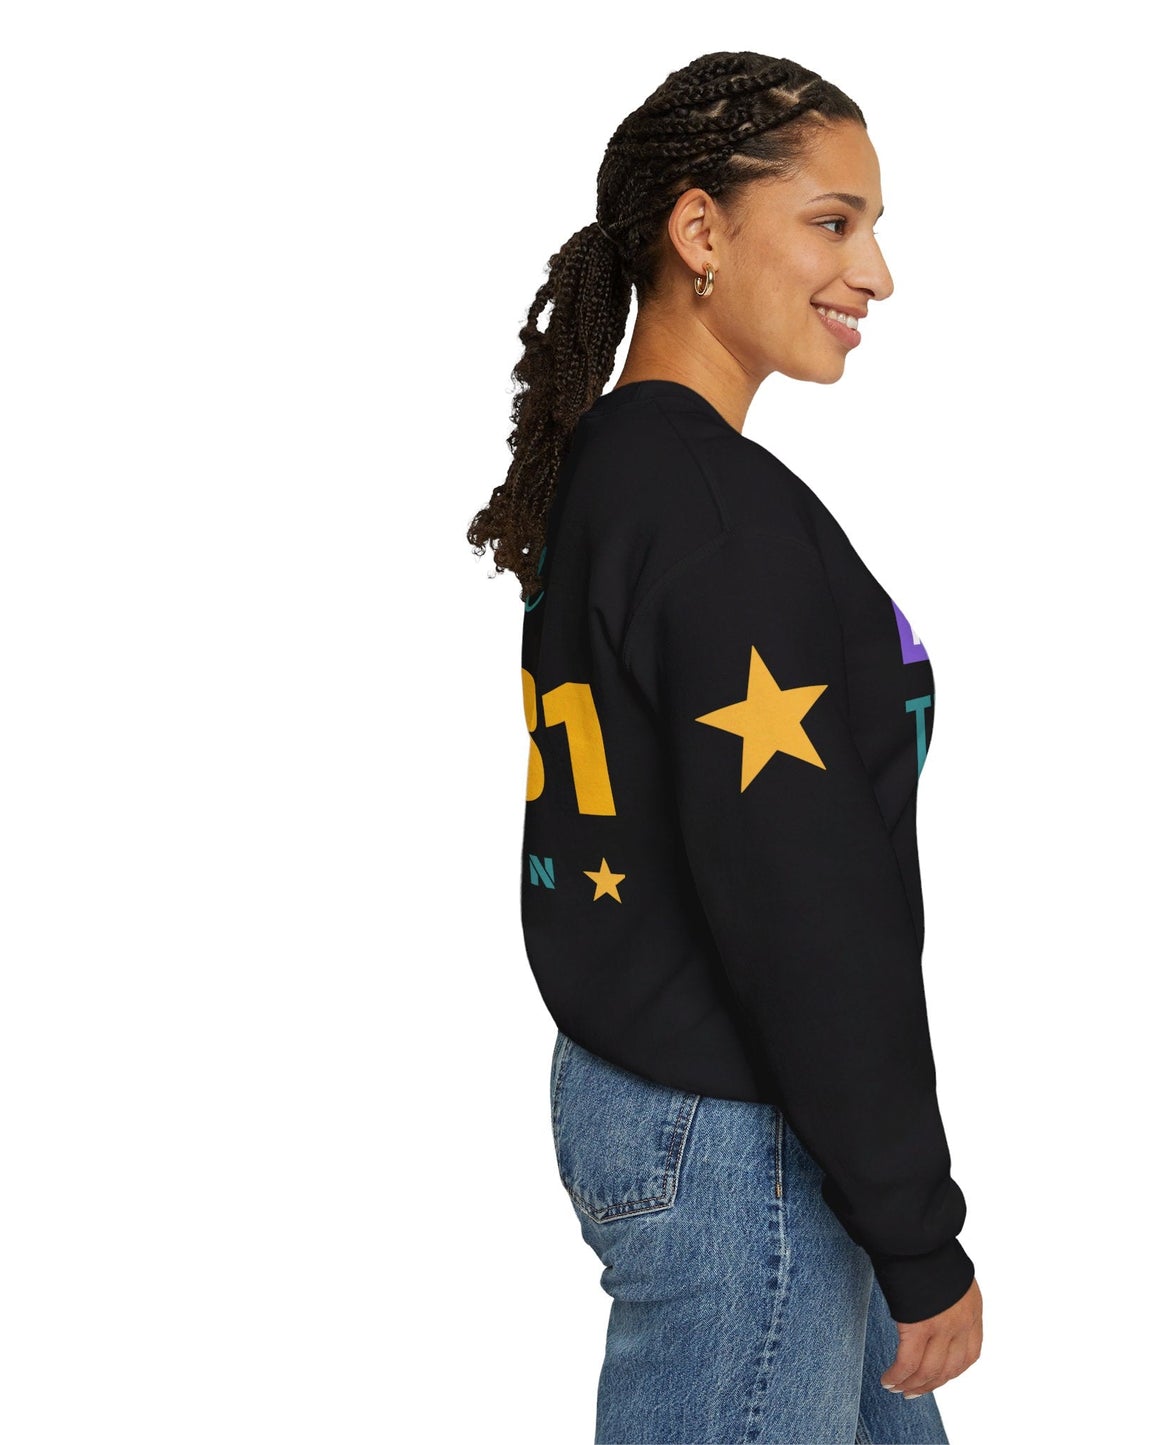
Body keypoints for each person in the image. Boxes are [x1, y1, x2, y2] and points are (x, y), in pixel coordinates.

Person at [468, 50, 984, 1445]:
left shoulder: (624, 475)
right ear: (700, 230)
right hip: (740, 1128)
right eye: (832, 222)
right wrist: (916, 1226)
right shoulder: (714, 515)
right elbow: (802, 900)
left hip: (704, 1100)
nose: (875, 273)